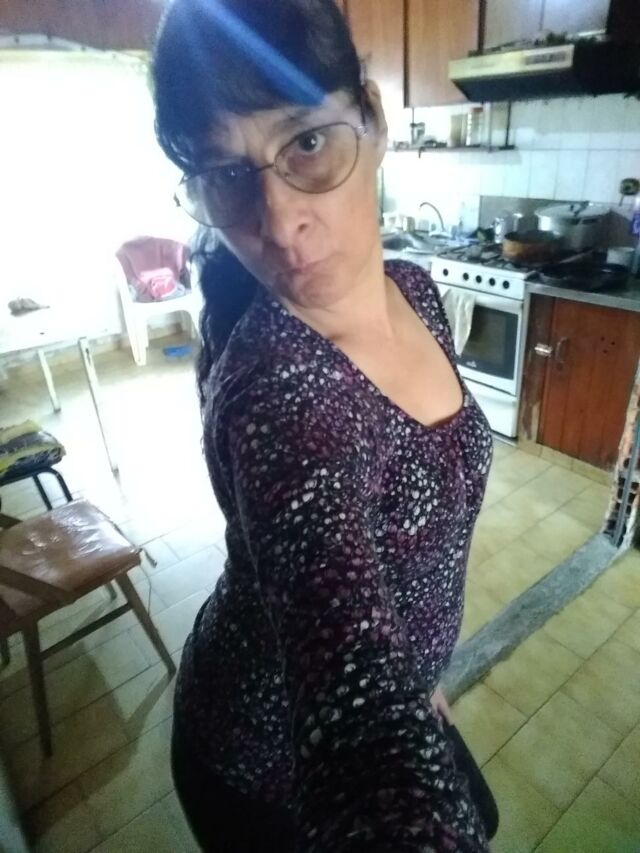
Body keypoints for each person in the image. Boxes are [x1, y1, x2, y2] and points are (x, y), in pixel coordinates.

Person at [152, 1, 498, 850]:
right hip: (262, 766)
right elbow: (355, 698)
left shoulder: (413, 290)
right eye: (226, 174)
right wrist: (391, 703)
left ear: (371, 119)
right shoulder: (280, 397)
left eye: (306, 141)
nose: (277, 222)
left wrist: (420, 675)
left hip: (409, 690)